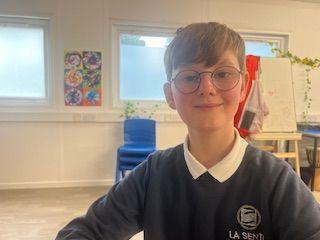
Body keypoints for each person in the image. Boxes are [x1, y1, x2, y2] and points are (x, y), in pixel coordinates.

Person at [56, 22, 320, 240]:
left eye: (223, 74)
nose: (207, 87)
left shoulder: (275, 180)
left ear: (243, 87)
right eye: (190, 77)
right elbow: (84, 232)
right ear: (170, 95)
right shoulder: (152, 174)